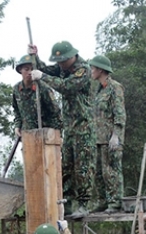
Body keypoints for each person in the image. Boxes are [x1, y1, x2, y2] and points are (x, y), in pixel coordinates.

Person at [29, 41, 97, 219]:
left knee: (83, 166)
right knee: (66, 166)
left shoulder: (83, 70)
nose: (60, 65)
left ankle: (83, 204)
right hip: (70, 126)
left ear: (72, 57)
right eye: (58, 62)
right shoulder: (62, 69)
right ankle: (66, 202)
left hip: (84, 126)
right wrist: (35, 57)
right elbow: (46, 70)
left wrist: (42, 77)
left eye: (62, 62)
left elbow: (67, 87)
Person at [89, 55, 126, 214]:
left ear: (101, 69)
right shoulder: (98, 90)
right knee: (98, 172)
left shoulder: (115, 87)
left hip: (111, 139)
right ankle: (103, 201)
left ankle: (115, 202)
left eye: (93, 68)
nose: (91, 71)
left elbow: (120, 113)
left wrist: (116, 135)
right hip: (98, 138)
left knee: (110, 171)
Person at [12, 54, 62, 137]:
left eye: (32, 69)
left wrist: (56, 135)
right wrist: (17, 126)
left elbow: (55, 113)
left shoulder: (43, 88)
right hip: (27, 134)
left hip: (45, 134)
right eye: (26, 69)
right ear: (20, 70)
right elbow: (17, 110)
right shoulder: (16, 89)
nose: (29, 72)